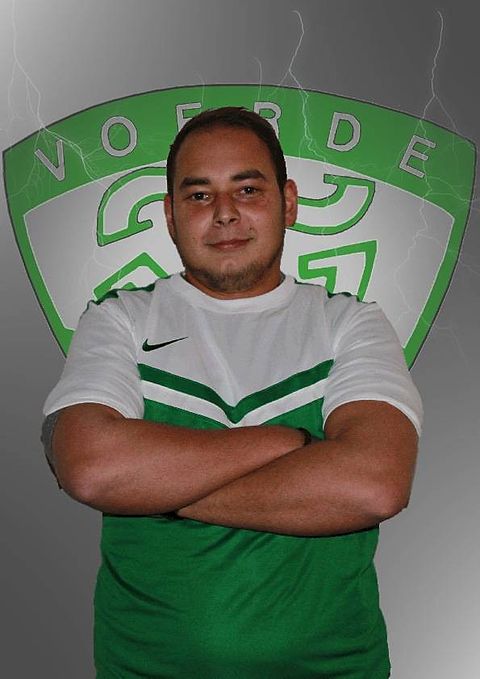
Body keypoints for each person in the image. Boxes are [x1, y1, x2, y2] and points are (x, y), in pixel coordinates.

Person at [42, 106, 422, 679]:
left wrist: (152, 487)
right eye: (199, 195)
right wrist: (289, 443)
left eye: (248, 189)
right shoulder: (120, 318)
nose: (224, 213)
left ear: (288, 202)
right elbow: (93, 469)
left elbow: (373, 485)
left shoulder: (350, 322)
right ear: (170, 216)